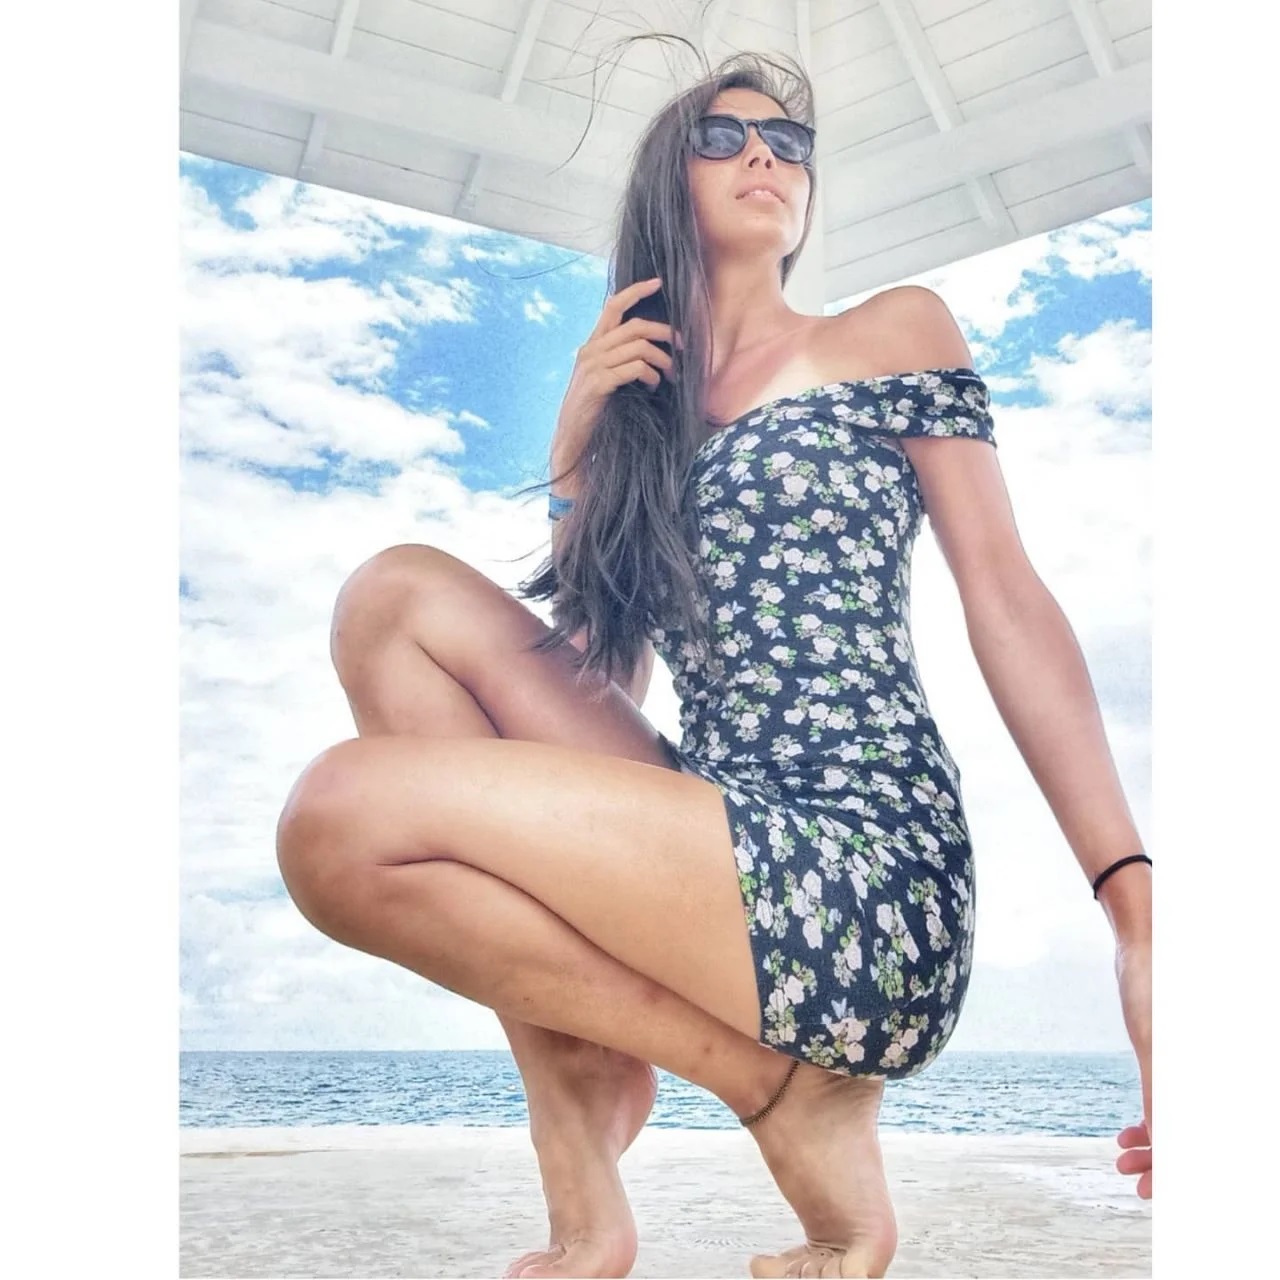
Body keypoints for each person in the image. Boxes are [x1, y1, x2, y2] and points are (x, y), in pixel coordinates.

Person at [275, 48, 1152, 1280]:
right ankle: (585, 1134)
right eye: (724, 137)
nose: (763, 156)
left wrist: (1133, 910)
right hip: (709, 824)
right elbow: (597, 687)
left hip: (860, 867)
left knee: (339, 812)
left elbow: (1005, 599)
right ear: (665, 182)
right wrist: (577, 454)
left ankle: (777, 1090)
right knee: (392, 599)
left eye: (787, 144)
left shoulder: (889, 331)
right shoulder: (644, 417)